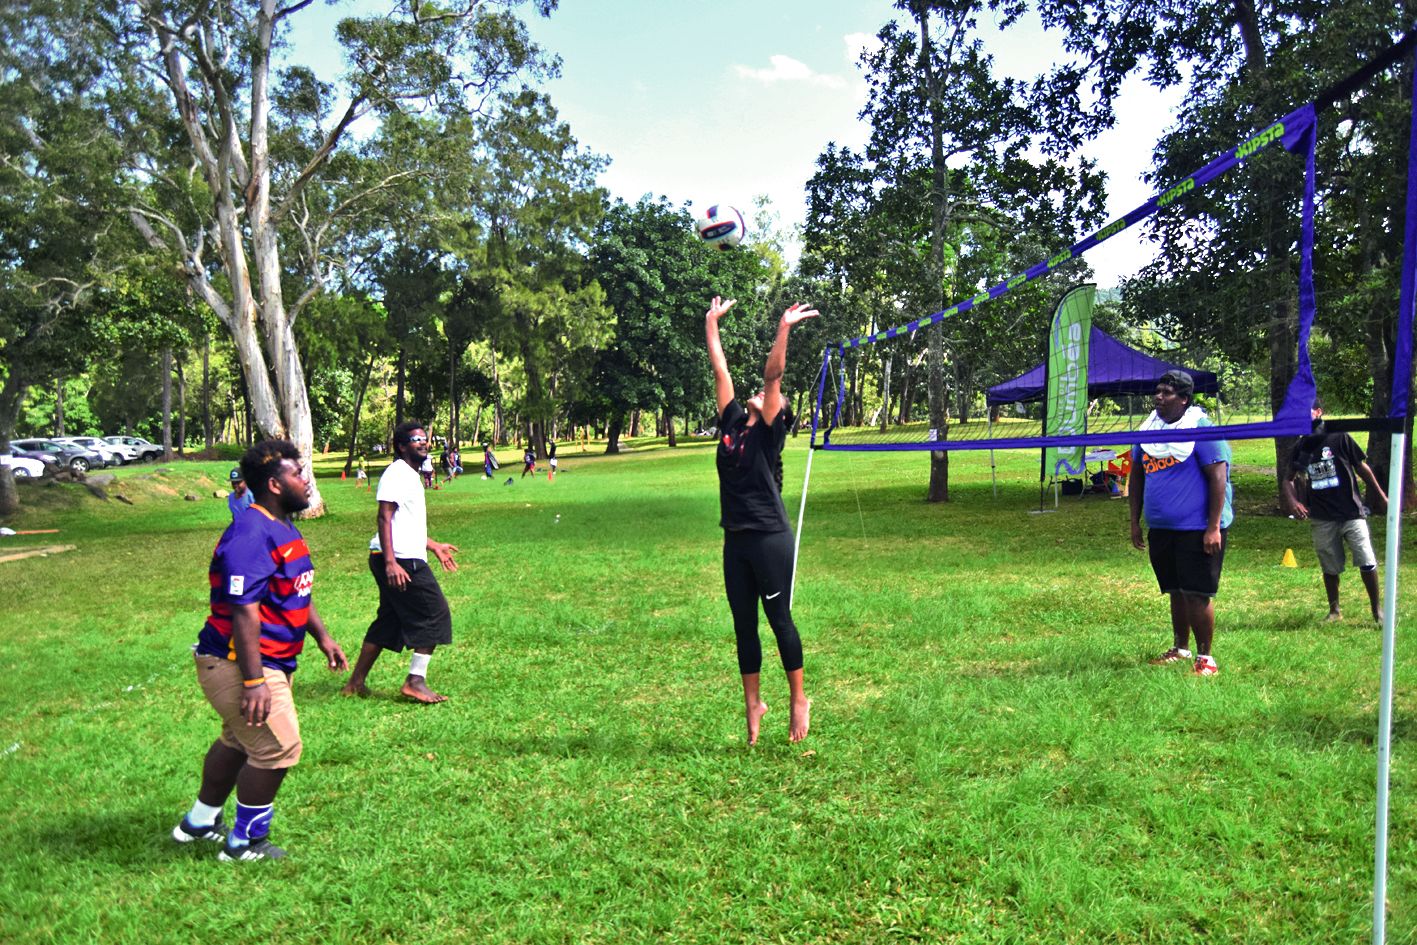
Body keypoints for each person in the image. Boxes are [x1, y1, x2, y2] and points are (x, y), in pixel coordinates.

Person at [174, 440, 349, 861]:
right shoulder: (251, 533)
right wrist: (254, 681)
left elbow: (294, 591)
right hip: (239, 662)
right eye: (298, 474)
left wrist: (322, 637)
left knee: (238, 742)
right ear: (274, 484)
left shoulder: (283, 525)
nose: (306, 481)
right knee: (279, 748)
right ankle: (244, 843)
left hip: (267, 659)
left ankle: (198, 823)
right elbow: (245, 612)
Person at [706, 295, 817, 744]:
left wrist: (784, 327)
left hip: (770, 537)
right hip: (735, 539)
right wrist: (712, 323)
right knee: (742, 626)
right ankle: (753, 703)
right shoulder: (732, 421)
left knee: (778, 620)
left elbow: (774, 376)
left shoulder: (770, 431)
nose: (765, 393)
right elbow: (720, 369)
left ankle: (798, 698)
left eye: (775, 399)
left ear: (780, 413)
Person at [341, 421, 460, 704]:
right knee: (436, 613)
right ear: (401, 446)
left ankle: (355, 683)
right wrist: (391, 563)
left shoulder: (409, 475)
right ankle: (414, 681)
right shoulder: (397, 473)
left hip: (397, 555)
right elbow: (384, 516)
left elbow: (402, 522)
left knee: (390, 620)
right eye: (415, 439)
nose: (423, 442)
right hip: (399, 560)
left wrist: (432, 546)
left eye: (424, 439)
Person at [1128, 369, 1233, 677]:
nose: (1159, 397)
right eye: (1157, 391)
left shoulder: (1201, 429)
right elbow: (1136, 476)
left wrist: (1213, 527)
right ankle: (1180, 649)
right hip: (1162, 527)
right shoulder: (1148, 429)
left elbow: (1218, 478)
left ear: (1184, 399)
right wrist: (1135, 521)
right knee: (1175, 589)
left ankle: (1206, 659)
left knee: (1197, 593)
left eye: (1167, 392)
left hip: (1198, 528)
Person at [1281, 400, 1387, 622]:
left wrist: (1381, 496)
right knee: (1329, 565)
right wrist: (1293, 502)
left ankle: (1377, 611)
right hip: (1322, 516)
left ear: (1319, 412)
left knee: (1366, 560)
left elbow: (1362, 468)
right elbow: (1288, 479)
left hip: (1351, 512)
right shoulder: (1301, 446)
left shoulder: (1339, 437)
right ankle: (1334, 610)